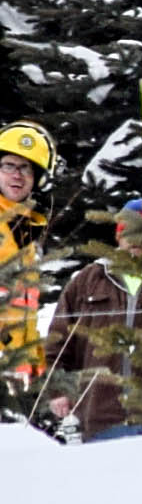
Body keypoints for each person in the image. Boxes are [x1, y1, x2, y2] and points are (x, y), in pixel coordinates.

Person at [0, 121, 52, 381]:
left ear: (38, 179)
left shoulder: (27, 234)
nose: (17, 175)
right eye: (9, 166)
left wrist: (35, 368)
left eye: (25, 168)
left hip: (18, 377)